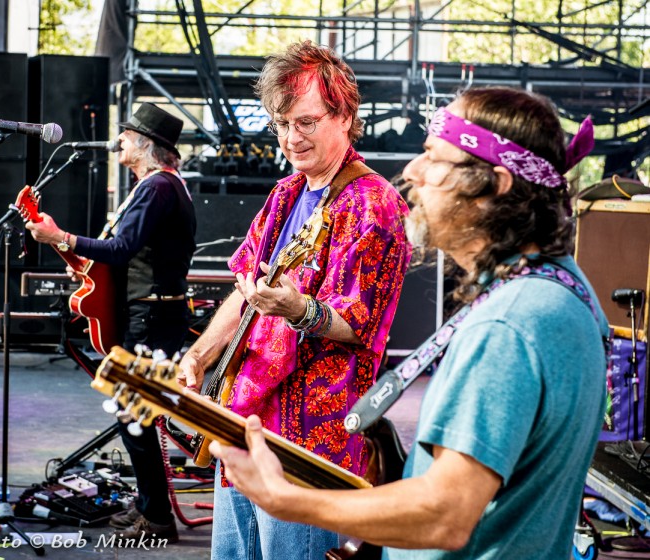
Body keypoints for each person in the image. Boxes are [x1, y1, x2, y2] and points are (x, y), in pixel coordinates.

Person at [209, 86, 610, 560]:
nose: (412, 173)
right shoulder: (562, 287)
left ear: (497, 184)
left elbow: (446, 512)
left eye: (433, 158)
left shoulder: (508, 326)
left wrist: (292, 500)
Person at [177, 40, 411, 559]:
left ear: (344, 114)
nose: (291, 138)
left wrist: (298, 310)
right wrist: (200, 356)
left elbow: (360, 325)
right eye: (282, 124)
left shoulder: (374, 204)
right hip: (245, 421)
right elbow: (244, 291)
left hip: (309, 442)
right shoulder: (286, 194)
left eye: (305, 122)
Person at [26, 102, 196, 544]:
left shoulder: (157, 188)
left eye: (127, 134)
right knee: (133, 415)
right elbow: (127, 254)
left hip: (153, 316)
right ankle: (149, 507)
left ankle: (157, 517)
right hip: (153, 312)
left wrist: (61, 237)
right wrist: (83, 261)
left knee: (134, 416)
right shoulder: (157, 186)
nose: (119, 139)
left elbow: (121, 249)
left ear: (146, 145)